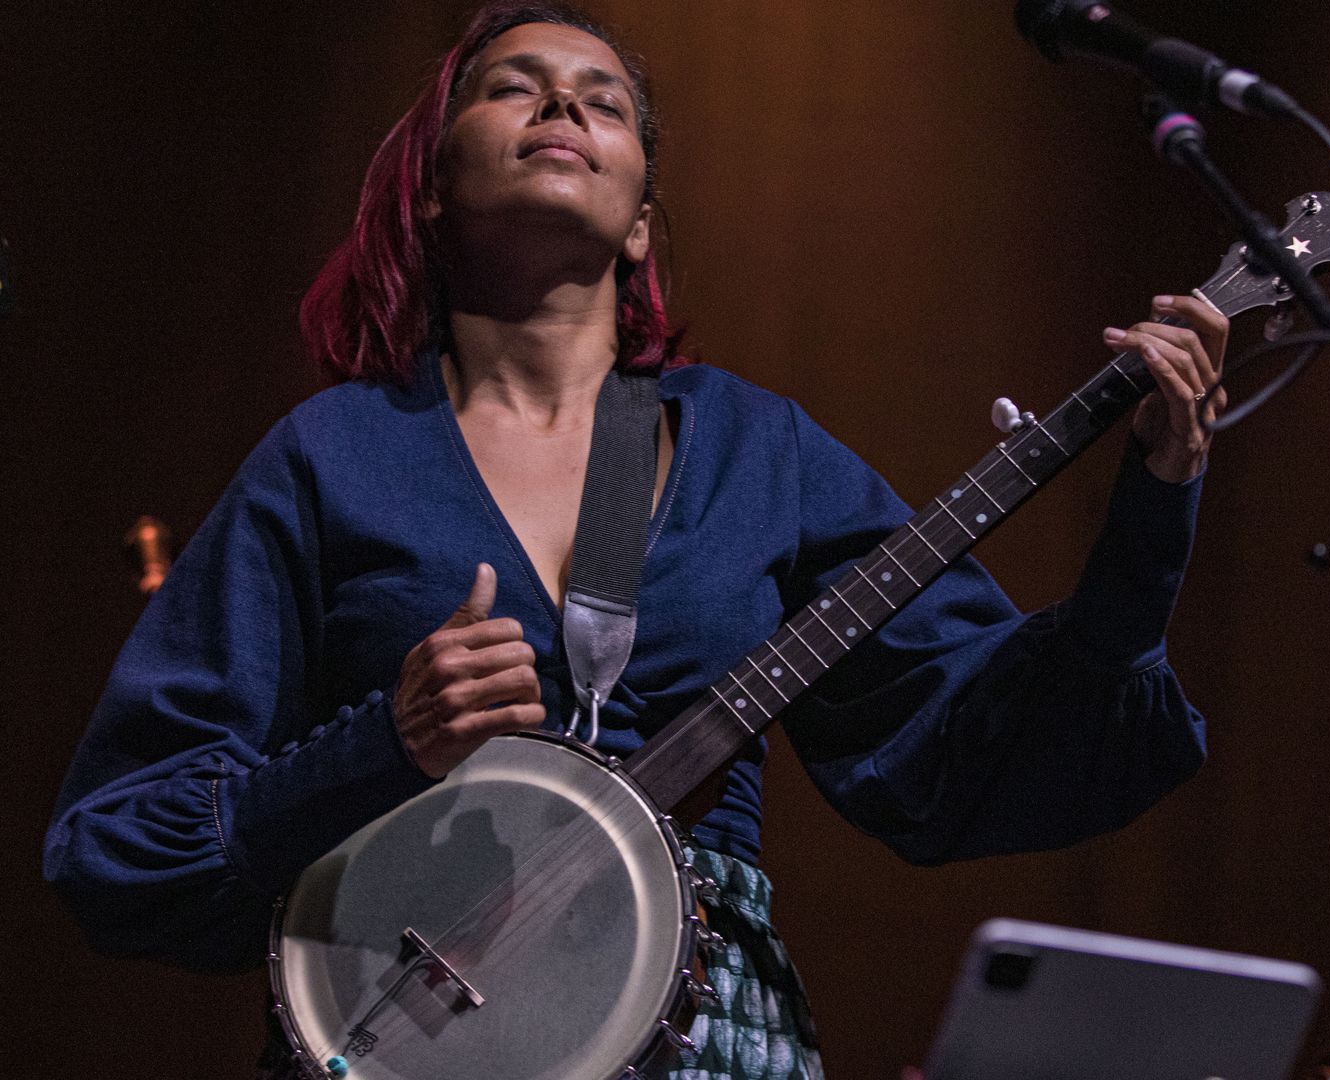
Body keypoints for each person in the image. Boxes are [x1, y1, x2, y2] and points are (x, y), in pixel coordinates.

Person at [43, 5, 1227, 1078]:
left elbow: (976, 744)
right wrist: (380, 747)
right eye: (514, 86)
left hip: (711, 1037)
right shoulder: (329, 457)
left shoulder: (757, 449)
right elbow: (118, 851)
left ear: (644, 224)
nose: (564, 105)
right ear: (433, 189)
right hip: (407, 1041)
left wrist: (1154, 505)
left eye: (603, 101)